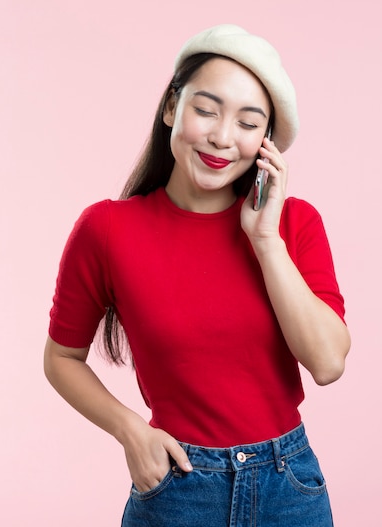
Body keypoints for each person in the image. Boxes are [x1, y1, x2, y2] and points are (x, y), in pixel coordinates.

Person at [43, 24, 350, 527]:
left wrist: (265, 239)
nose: (222, 137)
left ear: (266, 144)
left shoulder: (295, 225)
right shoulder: (107, 229)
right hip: (178, 487)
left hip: (288, 487)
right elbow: (60, 358)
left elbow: (327, 362)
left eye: (249, 124)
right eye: (205, 110)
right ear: (171, 108)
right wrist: (130, 431)